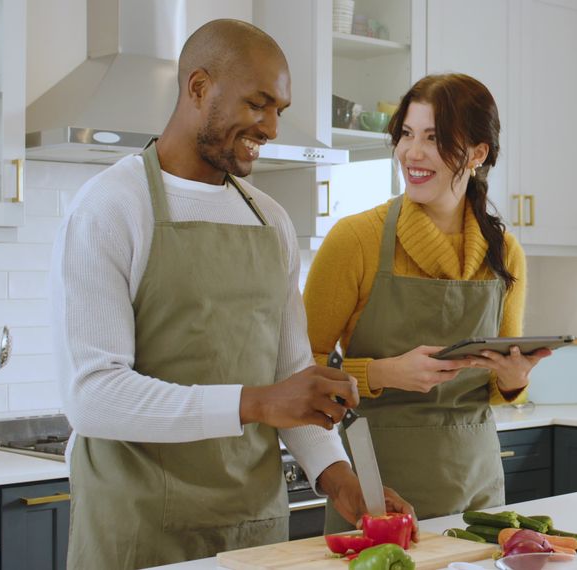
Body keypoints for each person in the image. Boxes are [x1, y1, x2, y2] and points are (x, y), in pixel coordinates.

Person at [49, 19, 414, 570]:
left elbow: (292, 374)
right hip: (138, 534)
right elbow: (94, 396)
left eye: (279, 111)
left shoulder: (270, 220)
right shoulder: (110, 208)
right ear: (198, 88)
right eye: (257, 104)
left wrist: (339, 478)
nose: (270, 126)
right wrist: (257, 402)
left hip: (254, 530)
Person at [304, 73, 551, 532]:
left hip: (478, 491)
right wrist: (382, 373)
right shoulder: (355, 239)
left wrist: (514, 379)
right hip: (378, 488)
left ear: (478, 154)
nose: (412, 153)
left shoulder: (504, 252)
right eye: (406, 134)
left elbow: (499, 388)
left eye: (434, 139)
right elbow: (301, 370)